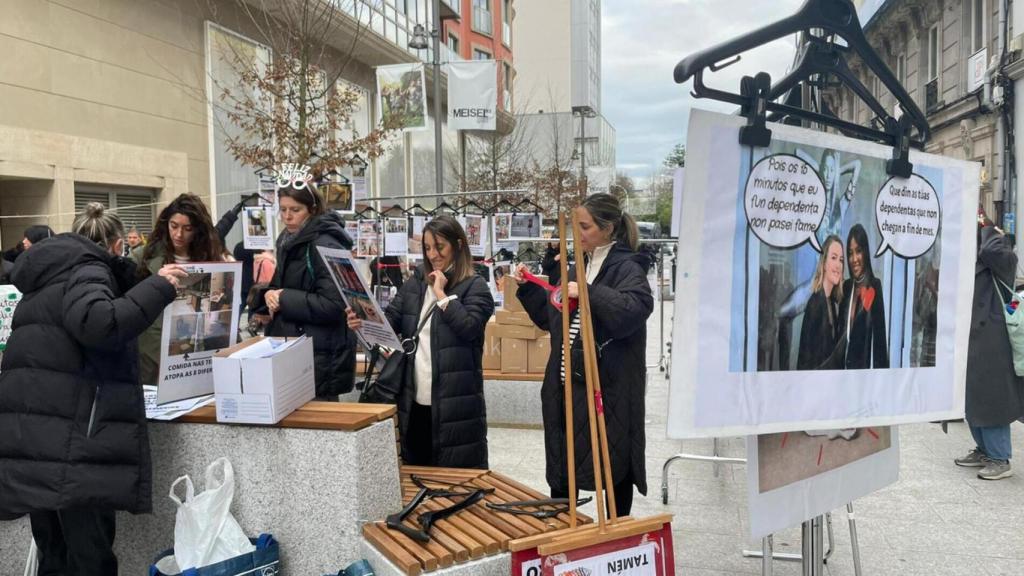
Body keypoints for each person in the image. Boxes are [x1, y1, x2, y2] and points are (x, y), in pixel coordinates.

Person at [0, 202, 186, 575]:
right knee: (90, 559)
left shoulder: (52, 275)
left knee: (55, 555)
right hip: (74, 447)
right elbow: (99, 324)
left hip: (38, 443)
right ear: (117, 245)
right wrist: (158, 288)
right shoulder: (88, 270)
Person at [513, 193, 653, 517]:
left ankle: (615, 548)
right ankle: (566, 538)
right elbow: (554, 319)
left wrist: (588, 292)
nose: (578, 233)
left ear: (608, 228)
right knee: (564, 464)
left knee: (612, 466)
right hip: (565, 384)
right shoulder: (579, 265)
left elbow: (636, 308)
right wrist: (529, 287)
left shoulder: (626, 266)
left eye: (585, 226)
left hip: (605, 388)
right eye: (575, 226)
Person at [348, 215, 494, 468]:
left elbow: (469, 328)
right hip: (411, 399)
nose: (433, 255)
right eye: (427, 248)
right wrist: (363, 321)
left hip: (454, 404)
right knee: (414, 470)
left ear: (458, 245)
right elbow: (391, 320)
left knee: (454, 480)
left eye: (440, 247)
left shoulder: (475, 286)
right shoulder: (416, 283)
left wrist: (441, 295)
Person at [261, 179, 357, 399]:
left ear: (312, 210)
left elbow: (335, 304)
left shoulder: (325, 243)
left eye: (295, 210)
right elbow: (278, 284)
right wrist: (268, 294)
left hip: (321, 359)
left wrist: (283, 298)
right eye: (283, 209)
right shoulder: (287, 240)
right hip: (293, 351)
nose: (287, 216)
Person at [131, 194, 229, 385]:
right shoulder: (141, 257)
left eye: (187, 229)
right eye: (174, 226)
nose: (178, 235)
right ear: (166, 224)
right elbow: (128, 301)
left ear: (198, 230)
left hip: (197, 357)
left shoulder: (211, 258)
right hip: (150, 356)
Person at [954, 212, 1024, 480]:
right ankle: (984, 449)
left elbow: (993, 249)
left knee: (992, 399)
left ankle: (1000, 457)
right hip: (971, 340)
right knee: (973, 398)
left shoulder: (1001, 258)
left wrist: (988, 228)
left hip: (993, 341)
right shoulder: (971, 261)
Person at [839, 224, 888, 368]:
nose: (854, 259)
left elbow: (880, 343)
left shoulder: (874, 286)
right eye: (850, 253)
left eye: (858, 251)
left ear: (865, 252)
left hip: (862, 376)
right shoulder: (847, 287)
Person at [797, 235, 845, 370]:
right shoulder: (815, 303)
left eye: (841, 260)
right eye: (834, 258)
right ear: (824, 264)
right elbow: (804, 361)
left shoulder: (832, 302)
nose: (838, 265)